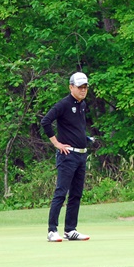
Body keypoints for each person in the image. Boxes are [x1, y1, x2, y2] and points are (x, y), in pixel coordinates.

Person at [40, 72, 95, 242]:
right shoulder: (63, 104)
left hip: (81, 155)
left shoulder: (82, 104)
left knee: (76, 194)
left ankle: (70, 229)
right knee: (61, 192)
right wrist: (56, 143)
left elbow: (75, 127)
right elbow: (45, 121)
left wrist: (85, 138)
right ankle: (52, 230)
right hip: (67, 155)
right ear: (71, 87)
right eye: (80, 87)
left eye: (85, 87)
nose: (83, 90)